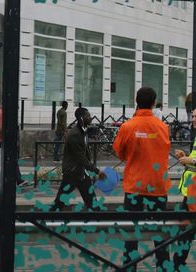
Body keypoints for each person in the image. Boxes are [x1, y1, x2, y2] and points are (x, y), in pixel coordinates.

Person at [113, 87, 171, 271]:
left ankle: (130, 267)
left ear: (136, 101)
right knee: (160, 232)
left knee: (132, 233)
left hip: (135, 187)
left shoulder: (128, 126)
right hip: (158, 186)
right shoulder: (163, 127)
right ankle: (163, 267)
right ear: (154, 103)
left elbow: (119, 152)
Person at [51, 107, 105, 211]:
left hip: (80, 172)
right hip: (72, 172)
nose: (90, 118)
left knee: (92, 202)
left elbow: (84, 154)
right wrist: (97, 171)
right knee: (59, 202)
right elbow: (80, 157)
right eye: (87, 116)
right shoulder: (75, 135)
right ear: (81, 118)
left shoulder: (82, 131)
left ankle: (98, 218)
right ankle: (46, 218)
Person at [172, 107, 196, 270]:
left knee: (186, 231)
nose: (193, 119)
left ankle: (178, 263)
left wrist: (191, 161)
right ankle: (178, 262)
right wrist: (185, 157)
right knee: (185, 231)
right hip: (191, 192)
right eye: (193, 116)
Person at [0, 105, 30, 187]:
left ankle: (17, 180)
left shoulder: (1, 112)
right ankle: (18, 180)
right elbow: (4, 128)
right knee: (12, 160)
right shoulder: (2, 113)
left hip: (0, 140)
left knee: (9, 160)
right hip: (2, 140)